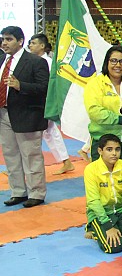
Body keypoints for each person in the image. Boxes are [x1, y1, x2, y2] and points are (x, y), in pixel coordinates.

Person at [0, 26, 49, 208]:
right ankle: (18, 191)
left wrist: (21, 85)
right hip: (4, 113)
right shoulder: (2, 60)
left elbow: (44, 88)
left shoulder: (36, 62)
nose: (4, 43)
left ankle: (36, 193)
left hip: (27, 114)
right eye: (3, 39)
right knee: (10, 155)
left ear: (20, 41)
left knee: (31, 156)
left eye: (9, 39)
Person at [84, 45, 122, 172]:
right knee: (103, 180)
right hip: (103, 143)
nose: (118, 65)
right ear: (106, 62)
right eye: (113, 61)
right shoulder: (96, 84)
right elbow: (94, 111)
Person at [27, 33, 75, 175]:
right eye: (30, 43)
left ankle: (65, 161)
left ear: (42, 46)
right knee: (48, 132)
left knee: (48, 131)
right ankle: (65, 161)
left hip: (46, 101)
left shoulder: (47, 62)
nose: (30, 45)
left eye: (33, 43)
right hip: (39, 101)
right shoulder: (34, 61)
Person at [84, 134, 122, 253]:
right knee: (114, 247)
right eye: (109, 149)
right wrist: (108, 227)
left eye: (117, 149)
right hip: (101, 213)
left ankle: (118, 228)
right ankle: (93, 226)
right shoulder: (91, 169)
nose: (114, 153)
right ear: (100, 151)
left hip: (121, 210)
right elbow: (93, 200)